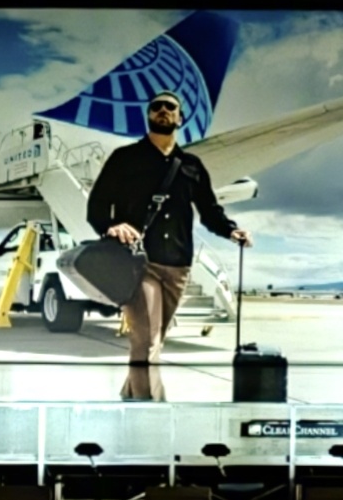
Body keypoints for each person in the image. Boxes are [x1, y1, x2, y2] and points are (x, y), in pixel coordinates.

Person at [83, 87, 249, 401]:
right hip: (138, 263)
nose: (163, 110)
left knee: (154, 340)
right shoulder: (125, 158)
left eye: (170, 107)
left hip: (179, 265)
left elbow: (209, 210)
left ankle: (130, 396)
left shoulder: (192, 165)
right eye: (157, 106)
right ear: (148, 115)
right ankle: (152, 412)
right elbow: (97, 206)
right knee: (146, 340)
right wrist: (112, 226)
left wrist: (231, 231)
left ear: (179, 117)